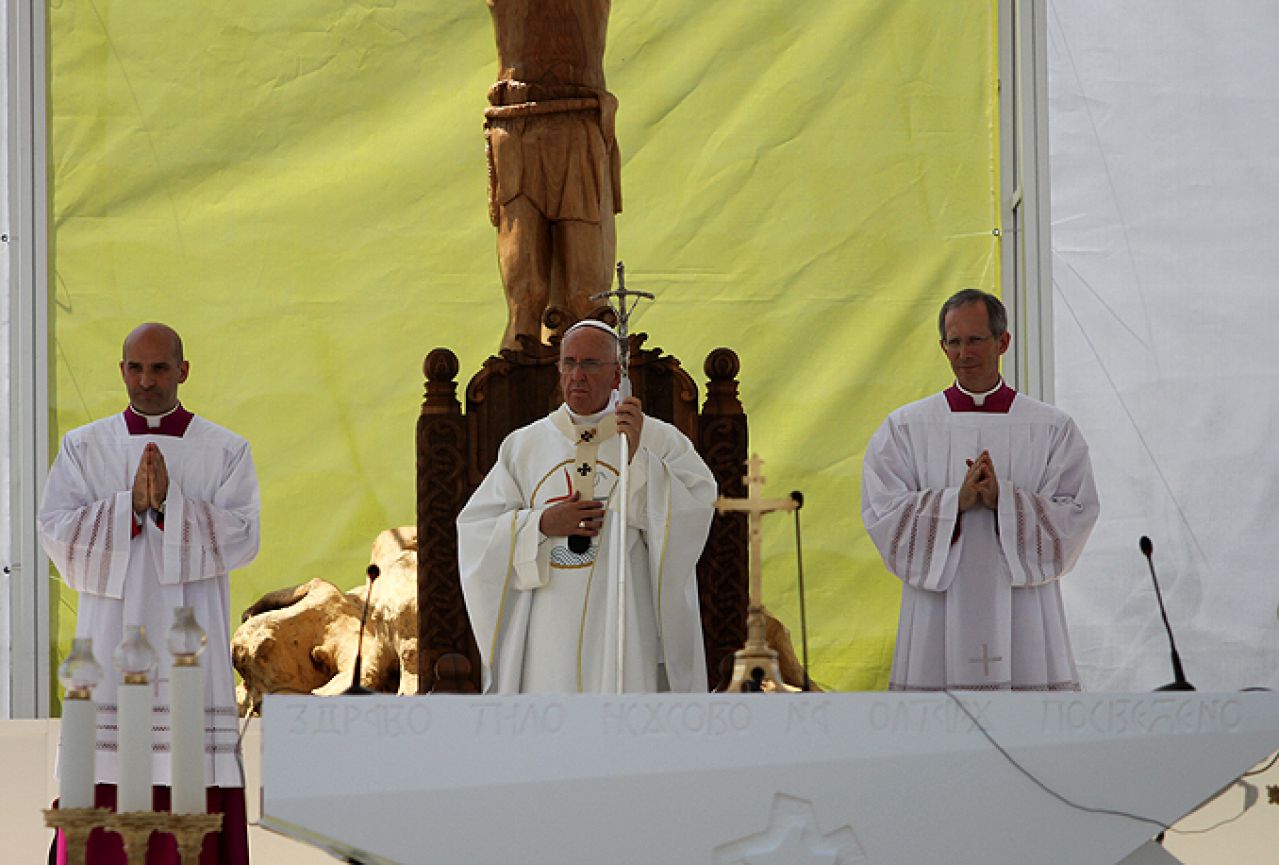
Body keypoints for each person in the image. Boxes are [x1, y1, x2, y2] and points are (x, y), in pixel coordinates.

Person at [39, 323, 260, 865]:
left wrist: (169, 508)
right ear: (121, 371)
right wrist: (126, 507)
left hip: (191, 645)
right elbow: (54, 531)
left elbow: (245, 535)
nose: (146, 381)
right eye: (135, 368)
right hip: (109, 643)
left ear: (183, 371)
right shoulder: (84, 447)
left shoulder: (225, 450)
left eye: (160, 368)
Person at [458, 320, 715, 693]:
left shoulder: (655, 437)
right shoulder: (524, 446)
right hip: (547, 621)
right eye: (569, 363)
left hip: (625, 611)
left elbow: (696, 509)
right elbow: (477, 530)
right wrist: (542, 523)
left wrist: (638, 462)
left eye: (591, 364)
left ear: (616, 376)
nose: (577, 375)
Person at [861, 290, 1099, 691]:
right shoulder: (906, 428)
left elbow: (1077, 512)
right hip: (937, 609)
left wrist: (1004, 500)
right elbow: (883, 512)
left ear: (1003, 342)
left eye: (975, 340)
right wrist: (957, 501)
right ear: (942, 347)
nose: (963, 353)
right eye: (953, 342)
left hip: (1024, 612)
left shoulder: (1051, 428)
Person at [484, 0, 622, 350]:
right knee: (524, 297)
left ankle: (595, 391)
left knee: (587, 296)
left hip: (581, 125)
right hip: (517, 127)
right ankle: (517, 388)